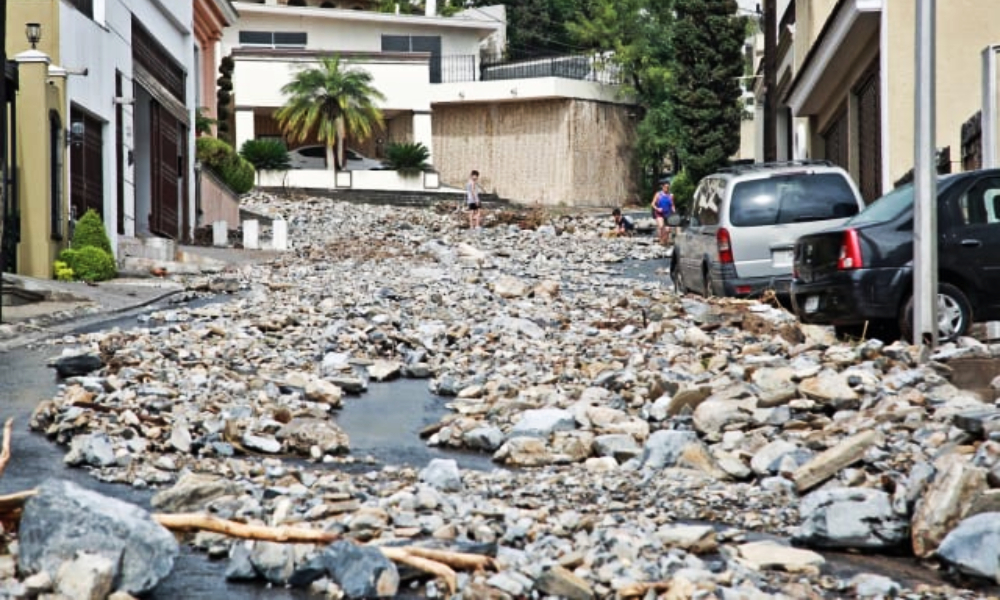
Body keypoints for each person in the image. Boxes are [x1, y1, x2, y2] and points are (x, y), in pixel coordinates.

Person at [651, 180, 674, 245]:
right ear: (663, 187)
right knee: (661, 226)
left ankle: (665, 241)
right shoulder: (658, 194)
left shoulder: (671, 195)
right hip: (659, 213)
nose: (667, 188)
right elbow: (652, 204)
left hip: (668, 213)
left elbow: (672, 205)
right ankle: (661, 241)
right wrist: (657, 208)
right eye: (666, 187)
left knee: (667, 230)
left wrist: (674, 212)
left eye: (668, 187)